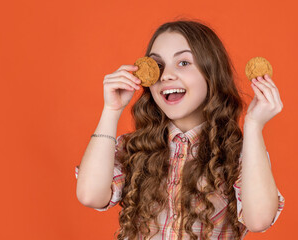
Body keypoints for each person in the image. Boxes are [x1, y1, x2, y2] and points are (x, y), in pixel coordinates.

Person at [75, 19, 285, 240]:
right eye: (157, 66)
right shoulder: (133, 148)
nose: (166, 75)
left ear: (211, 73)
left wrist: (253, 126)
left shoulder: (242, 154)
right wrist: (111, 109)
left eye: (183, 63)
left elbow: (259, 219)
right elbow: (90, 195)